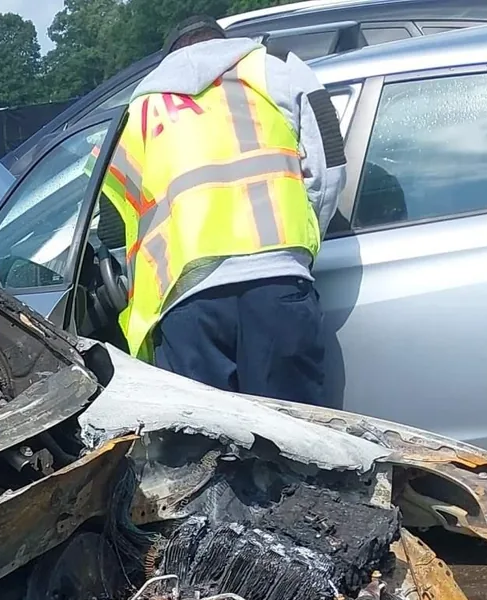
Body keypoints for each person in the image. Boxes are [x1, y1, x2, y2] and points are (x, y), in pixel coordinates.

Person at [102, 18, 347, 403]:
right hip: (277, 282)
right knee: (292, 430)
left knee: (206, 436)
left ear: (171, 58)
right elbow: (329, 168)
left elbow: (117, 221)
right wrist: (301, 242)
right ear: (224, 43)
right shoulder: (276, 69)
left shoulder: (139, 109)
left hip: (187, 298)